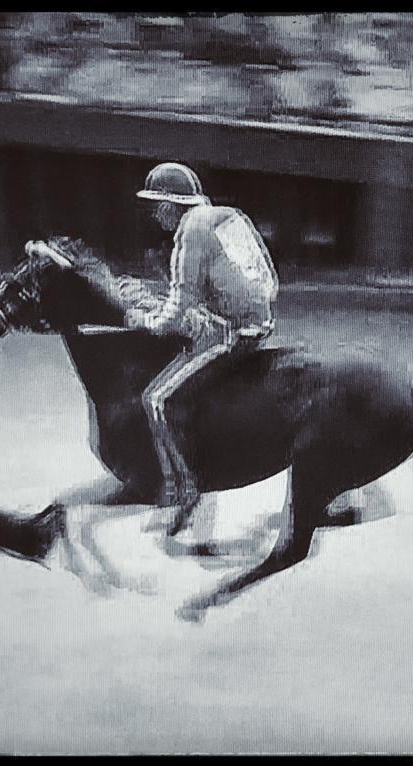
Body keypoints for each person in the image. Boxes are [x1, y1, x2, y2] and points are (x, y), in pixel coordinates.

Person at [123, 162, 278, 508]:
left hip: (233, 333)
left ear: (167, 206)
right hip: (261, 318)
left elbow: (177, 308)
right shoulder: (228, 215)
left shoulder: (189, 233)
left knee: (156, 400)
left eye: (154, 207)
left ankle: (185, 487)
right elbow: (267, 279)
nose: (153, 216)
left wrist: (146, 320)